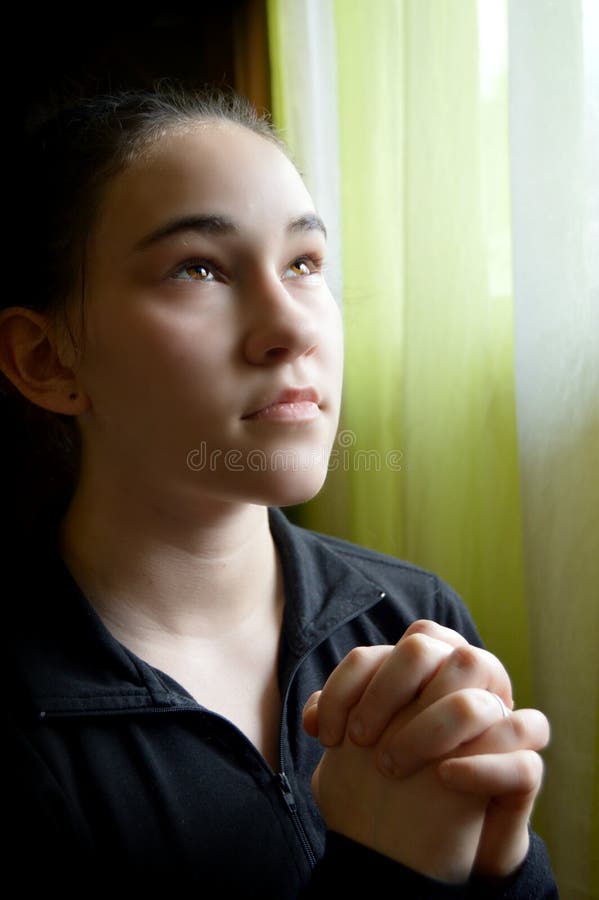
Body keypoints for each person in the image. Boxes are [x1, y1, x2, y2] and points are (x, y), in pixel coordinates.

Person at [2, 83, 558, 897]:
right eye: (198, 268)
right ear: (48, 361)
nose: (294, 326)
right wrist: (383, 876)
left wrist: (505, 867)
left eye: (303, 263)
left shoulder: (412, 619)